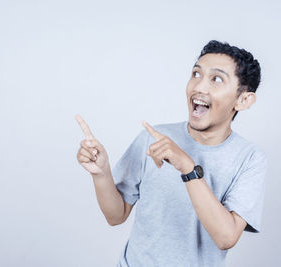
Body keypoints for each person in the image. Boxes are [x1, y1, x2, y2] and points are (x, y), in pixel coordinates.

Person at [75, 40, 267, 266]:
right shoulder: (155, 137)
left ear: (243, 100)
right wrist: (101, 173)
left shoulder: (250, 158)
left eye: (216, 79)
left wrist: (187, 167)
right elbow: (116, 216)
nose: (199, 87)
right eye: (196, 74)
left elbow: (226, 237)